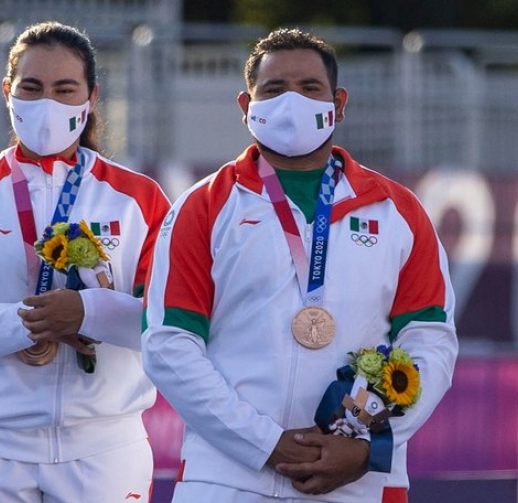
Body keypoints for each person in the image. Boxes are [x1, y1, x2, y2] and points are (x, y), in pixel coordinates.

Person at [141, 27, 458, 503]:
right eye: (273, 89)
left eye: (310, 88)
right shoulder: (203, 207)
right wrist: (264, 443)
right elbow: (169, 344)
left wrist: (368, 446)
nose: (292, 100)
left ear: (339, 102)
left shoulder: (398, 211)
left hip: (359, 479)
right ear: (247, 106)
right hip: (229, 476)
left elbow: (429, 342)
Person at [0, 21, 170, 502]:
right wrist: (27, 322)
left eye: (65, 89)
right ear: (8, 91)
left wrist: (87, 313)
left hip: (105, 446)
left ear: (91, 97)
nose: (48, 102)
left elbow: (169, 323)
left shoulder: (138, 199)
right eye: (32, 87)